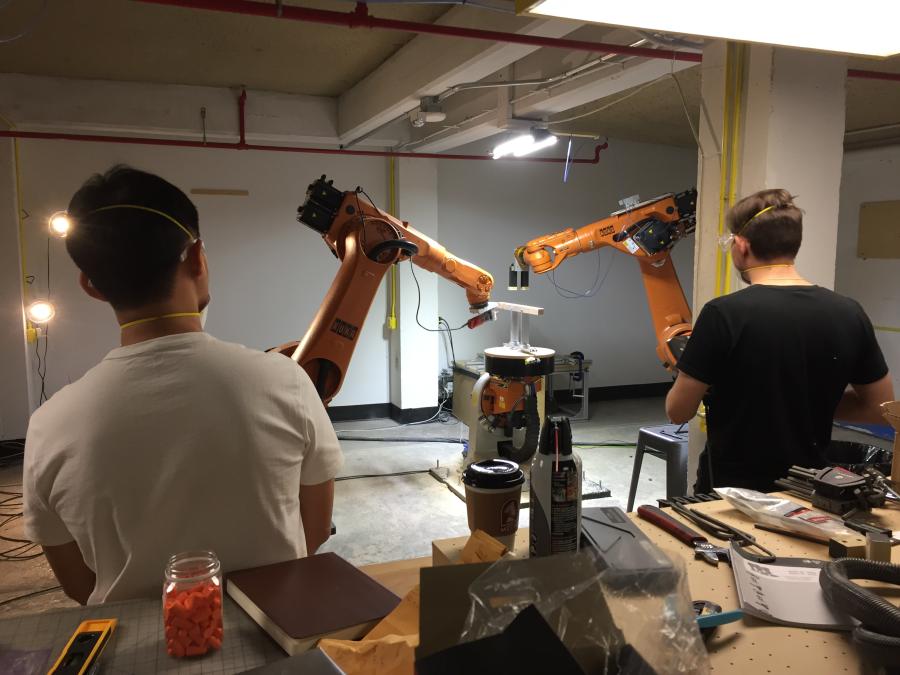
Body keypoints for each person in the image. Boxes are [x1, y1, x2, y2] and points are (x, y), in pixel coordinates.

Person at [23, 166, 343, 605]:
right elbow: (316, 529)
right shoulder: (285, 382)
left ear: (91, 286)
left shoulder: (48, 426)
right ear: (197, 259)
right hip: (277, 634)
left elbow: (79, 586)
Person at [666, 188, 893, 493]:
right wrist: (805, 403)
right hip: (812, 489)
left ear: (742, 246)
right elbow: (880, 407)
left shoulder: (723, 314)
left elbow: (678, 411)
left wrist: (686, 372)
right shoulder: (849, 312)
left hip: (732, 494)